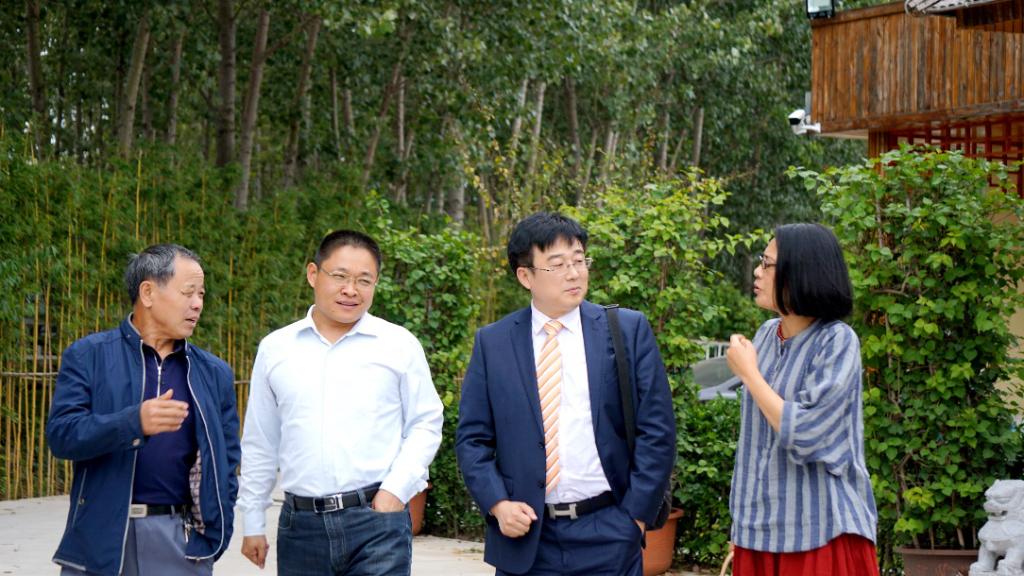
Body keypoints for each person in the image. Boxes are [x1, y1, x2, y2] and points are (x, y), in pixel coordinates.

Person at [456, 211, 676, 576]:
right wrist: (497, 504)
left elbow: (657, 430)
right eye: (557, 265)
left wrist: (634, 519)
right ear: (525, 276)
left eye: (579, 260)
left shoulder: (626, 330)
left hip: (609, 531)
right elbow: (472, 439)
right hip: (526, 537)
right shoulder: (493, 343)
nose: (574, 273)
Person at [238, 229, 444, 575]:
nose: (351, 290)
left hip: (377, 522)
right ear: (313, 274)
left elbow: (426, 422)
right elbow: (261, 441)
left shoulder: (398, 345)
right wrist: (253, 521)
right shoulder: (276, 349)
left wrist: (395, 491)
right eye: (340, 276)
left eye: (364, 280)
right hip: (301, 527)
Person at [47, 244, 241, 576]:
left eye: (201, 295)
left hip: (180, 542)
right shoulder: (89, 355)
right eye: (188, 292)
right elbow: (62, 436)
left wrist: (213, 537)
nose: (197, 304)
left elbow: (227, 462)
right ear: (148, 292)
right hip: (100, 538)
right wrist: (133, 422)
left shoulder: (213, 373)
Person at [725, 223, 879, 576]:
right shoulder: (766, 335)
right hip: (759, 533)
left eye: (767, 264)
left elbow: (808, 433)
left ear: (801, 271)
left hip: (821, 533)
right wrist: (741, 525)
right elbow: (754, 445)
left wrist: (750, 374)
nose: (757, 272)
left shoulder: (837, 341)